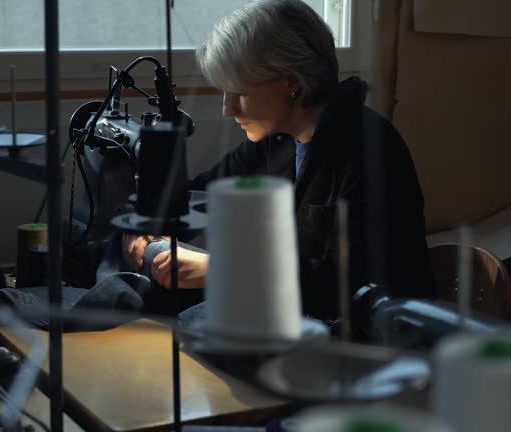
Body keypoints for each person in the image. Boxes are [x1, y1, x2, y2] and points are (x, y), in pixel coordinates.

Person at [123, 0, 434, 320]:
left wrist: (222, 270)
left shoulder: (369, 151)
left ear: (291, 82)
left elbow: (342, 286)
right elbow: (204, 194)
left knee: (191, 323)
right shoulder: (277, 139)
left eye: (238, 92)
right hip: (297, 313)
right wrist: (147, 224)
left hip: (367, 341)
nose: (227, 109)